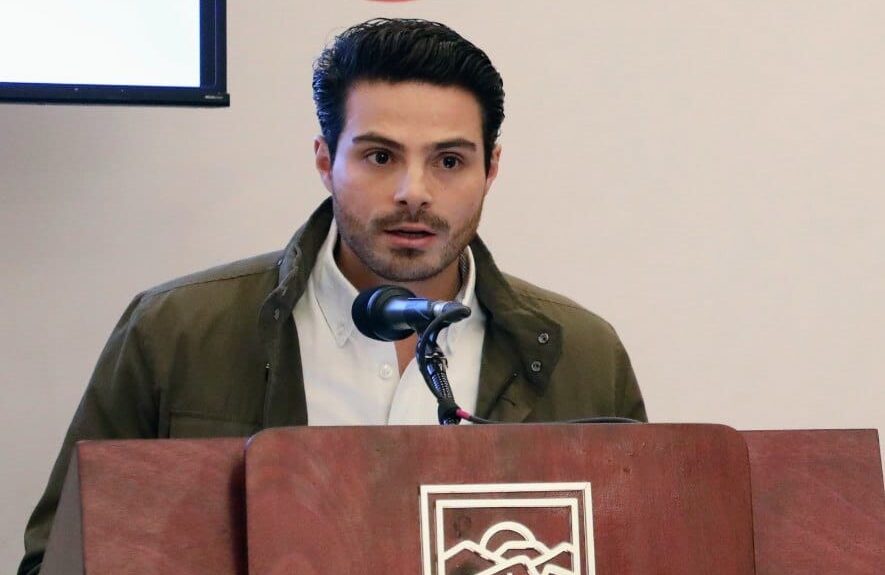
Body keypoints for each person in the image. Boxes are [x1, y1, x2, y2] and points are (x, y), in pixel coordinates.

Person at [18, 18, 646, 574]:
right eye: (380, 156)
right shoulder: (175, 331)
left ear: (492, 169)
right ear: (326, 160)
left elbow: (643, 551)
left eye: (450, 161)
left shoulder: (580, 353)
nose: (413, 191)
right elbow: (61, 559)